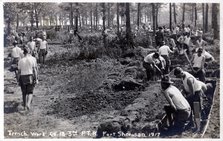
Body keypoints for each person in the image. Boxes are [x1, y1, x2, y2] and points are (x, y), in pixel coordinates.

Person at [174, 67, 205, 132]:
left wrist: (184, 98)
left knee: (196, 111)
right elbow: (184, 86)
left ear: (180, 73)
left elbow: (192, 92)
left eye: (178, 76)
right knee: (189, 109)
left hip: (196, 95)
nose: (178, 77)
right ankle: (191, 124)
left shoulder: (189, 79)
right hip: (191, 94)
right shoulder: (183, 75)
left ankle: (198, 128)